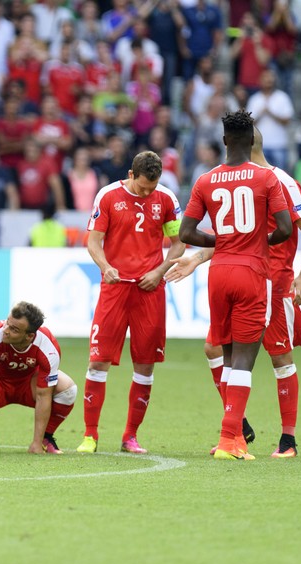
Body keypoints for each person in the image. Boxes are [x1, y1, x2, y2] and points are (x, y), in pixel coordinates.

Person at [167, 125, 301, 458]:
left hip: (275, 282)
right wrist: (197, 258)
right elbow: (236, 239)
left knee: (280, 358)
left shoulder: (281, 181)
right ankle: (236, 427)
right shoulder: (238, 180)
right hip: (247, 274)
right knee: (213, 349)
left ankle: (287, 440)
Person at [77, 151, 185, 455]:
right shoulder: (108, 195)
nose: (148, 192)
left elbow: (178, 242)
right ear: (130, 173)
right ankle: (89, 435)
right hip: (114, 289)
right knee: (98, 361)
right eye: (142, 187)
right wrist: (105, 267)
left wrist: (159, 271)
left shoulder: (166, 199)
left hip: (150, 290)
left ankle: (130, 436)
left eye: (153, 186)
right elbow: (93, 241)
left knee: (145, 365)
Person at [0, 301, 77, 455]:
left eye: (14, 329)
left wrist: (36, 442)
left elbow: (43, 395)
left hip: (29, 384)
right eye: (7, 323)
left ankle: (46, 438)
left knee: (68, 389)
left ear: (29, 336)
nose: (5, 330)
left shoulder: (49, 347)